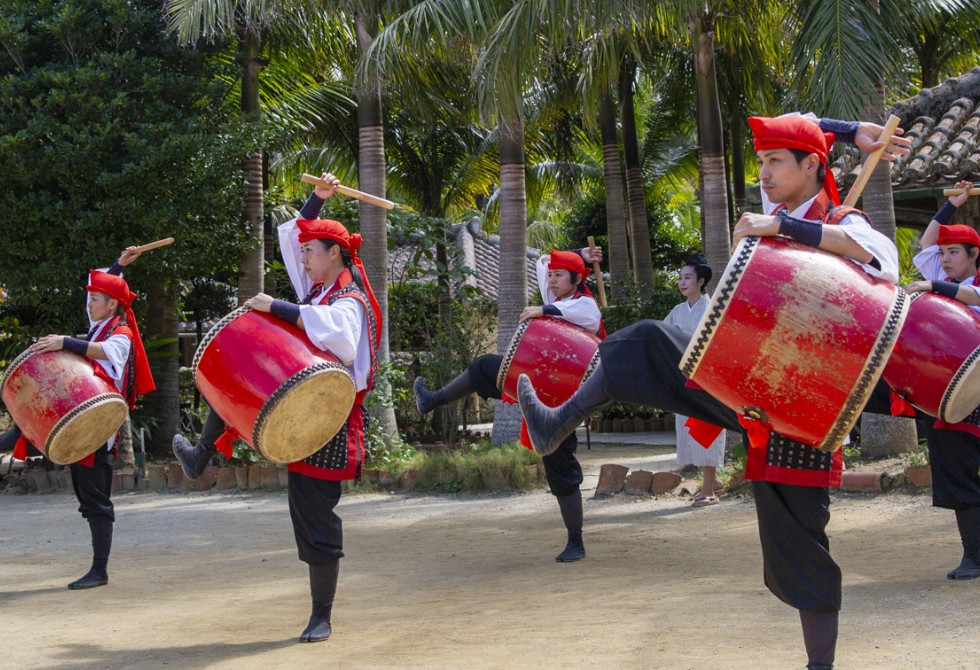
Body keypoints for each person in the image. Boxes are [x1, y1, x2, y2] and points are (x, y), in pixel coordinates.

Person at [517, 115, 909, 670]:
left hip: (802, 403)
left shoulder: (842, 220)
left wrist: (787, 231)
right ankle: (557, 422)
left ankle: (820, 665)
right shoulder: (772, 220)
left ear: (810, 167)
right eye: (763, 161)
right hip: (743, 384)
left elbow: (886, 264)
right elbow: (797, 120)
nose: (765, 173)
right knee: (639, 341)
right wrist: (843, 131)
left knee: (797, 538)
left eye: (777, 161)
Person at [172, 172, 382, 643]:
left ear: (335, 255)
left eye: (312, 251)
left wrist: (278, 308)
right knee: (238, 381)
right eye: (305, 251)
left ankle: (321, 615)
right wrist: (318, 198)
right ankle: (200, 454)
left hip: (330, 419)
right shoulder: (320, 291)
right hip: (304, 403)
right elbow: (294, 239)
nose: (302, 257)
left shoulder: (349, 300)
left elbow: (343, 340)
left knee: (316, 516)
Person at [414, 246, 604, 561]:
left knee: (561, 468)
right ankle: (432, 400)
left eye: (560, 276)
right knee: (483, 367)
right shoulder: (557, 298)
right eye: (553, 276)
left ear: (576, 279)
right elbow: (544, 261)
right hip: (539, 388)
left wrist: (544, 311)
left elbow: (589, 318)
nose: (553, 280)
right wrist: (580, 253)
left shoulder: (584, 304)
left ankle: (576, 542)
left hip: (563, 399)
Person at [0, 246, 154, 589]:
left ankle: (99, 571)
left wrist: (66, 342)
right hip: (81, 419)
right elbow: (102, 288)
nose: (90, 305)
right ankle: (9, 440)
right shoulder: (101, 327)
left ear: (111, 305)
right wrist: (118, 265)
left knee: (96, 501)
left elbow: (111, 353)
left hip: (98, 428)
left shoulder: (120, 333)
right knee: (27, 429)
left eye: (95, 301)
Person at [904, 180, 980, 580]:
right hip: (949, 395)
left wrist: (935, 286)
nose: (945, 259)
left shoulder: (973, 286)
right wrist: (951, 205)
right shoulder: (939, 269)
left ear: (974, 256)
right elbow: (927, 246)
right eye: (945, 253)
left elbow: (969, 298)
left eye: (955, 253)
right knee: (956, 474)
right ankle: (974, 555)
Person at [662, 253, 726, 506]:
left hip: (706, 381)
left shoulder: (713, 308)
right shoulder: (677, 311)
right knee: (688, 431)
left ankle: (709, 487)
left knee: (704, 430)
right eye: (680, 278)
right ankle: (713, 481)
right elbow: (664, 336)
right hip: (684, 380)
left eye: (687, 277)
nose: (681, 282)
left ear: (701, 280)